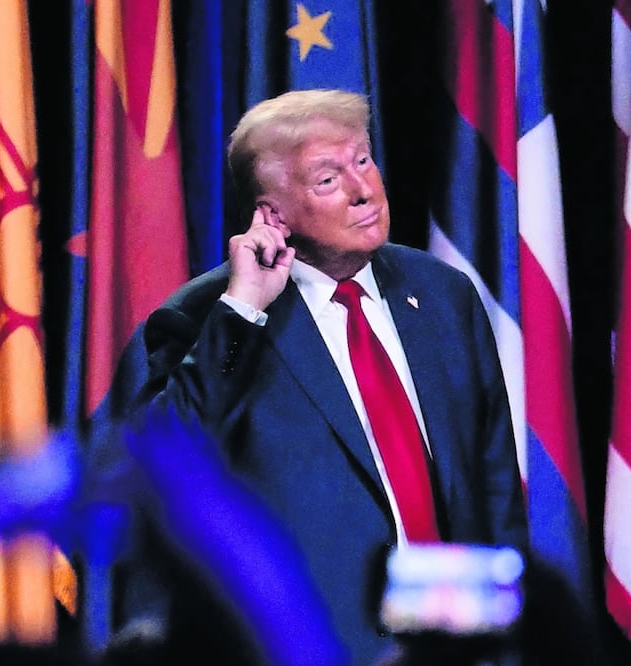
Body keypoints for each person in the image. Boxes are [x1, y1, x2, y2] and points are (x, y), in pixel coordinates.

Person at [131, 88, 528, 665]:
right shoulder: (210, 317)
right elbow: (166, 458)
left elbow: (492, 483)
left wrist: (506, 645)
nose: (363, 190)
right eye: (327, 179)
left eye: (362, 160)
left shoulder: (442, 294)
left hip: (454, 643)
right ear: (272, 215)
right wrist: (244, 309)